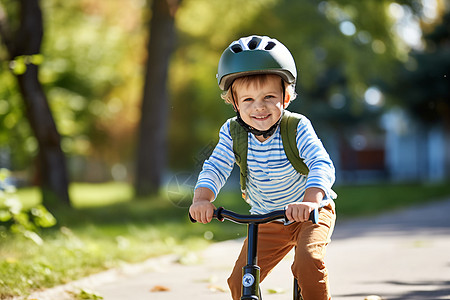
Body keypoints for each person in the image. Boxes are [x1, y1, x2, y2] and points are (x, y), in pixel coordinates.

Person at [189, 35, 336, 300]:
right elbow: (216, 166)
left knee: (307, 263)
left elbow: (320, 163)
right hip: (266, 219)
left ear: (287, 96)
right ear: (233, 102)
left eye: (269, 96)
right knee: (239, 281)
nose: (259, 107)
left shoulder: (297, 126)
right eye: (247, 100)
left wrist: (311, 201)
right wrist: (202, 199)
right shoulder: (233, 133)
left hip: (310, 213)